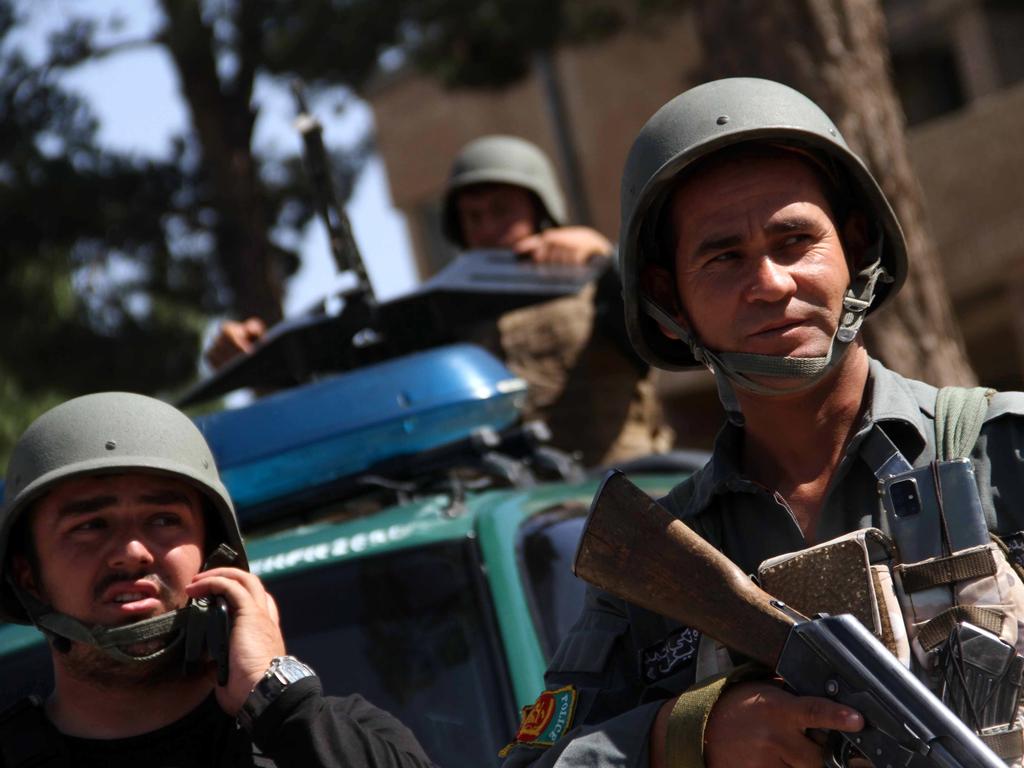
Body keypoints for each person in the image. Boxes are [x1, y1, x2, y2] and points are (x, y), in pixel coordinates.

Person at [499, 78, 1024, 768]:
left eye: (794, 240)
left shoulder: (1002, 450)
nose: (772, 283)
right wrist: (691, 734)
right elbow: (531, 758)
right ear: (670, 296)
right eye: (724, 258)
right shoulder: (659, 559)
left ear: (854, 246)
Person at [0, 392, 435, 768]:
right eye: (90, 525)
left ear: (212, 554)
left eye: (164, 519)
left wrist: (279, 698)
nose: (132, 551)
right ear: (29, 577)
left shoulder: (329, 736)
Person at [206, 135, 673, 467]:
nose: (488, 228)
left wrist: (604, 258)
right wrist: (262, 362)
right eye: (473, 216)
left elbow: (665, 331)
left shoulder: (593, 284)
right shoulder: (443, 313)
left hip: (626, 486)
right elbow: (356, 389)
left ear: (540, 209)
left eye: (502, 210)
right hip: (517, 511)